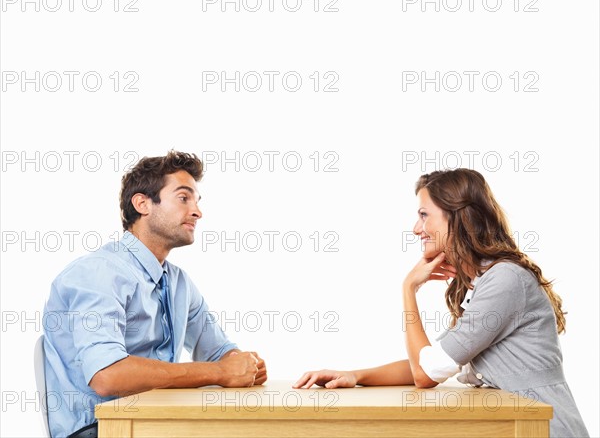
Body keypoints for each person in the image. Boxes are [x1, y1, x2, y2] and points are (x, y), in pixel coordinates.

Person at [294, 168, 588, 438]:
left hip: (545, 429)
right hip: (518, 426)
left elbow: (425, 374)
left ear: (457, 218)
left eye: (424, 215)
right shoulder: (483, 281)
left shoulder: (504, 281)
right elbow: (430, 364)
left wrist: (409, 289)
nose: (415, 228)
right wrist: (355, 376)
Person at [44, 151, 267, 438]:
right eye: (184, 198)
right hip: (100, 430)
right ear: (143, 203)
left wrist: (244, 364)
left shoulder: (178, 282)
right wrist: (220, 373)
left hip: (155, 423)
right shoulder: (97, 274)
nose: (197, 212)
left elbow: (218, 351)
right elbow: (107, 375)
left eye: (197, 201)